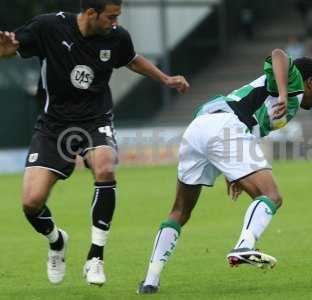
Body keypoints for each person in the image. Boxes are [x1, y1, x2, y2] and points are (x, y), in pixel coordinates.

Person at [0, 0, 189, 286]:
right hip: (53, 125)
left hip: (94, 120)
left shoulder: (117, 37)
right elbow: (14, 46)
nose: (115, 22)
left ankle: (95, 256)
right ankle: (56, 241)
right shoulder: (49, 27)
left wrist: (164, 78)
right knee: (31, 203)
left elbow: (131, 59)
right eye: (110, 17)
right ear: (90, 13)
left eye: (117, 17)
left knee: (105, 167)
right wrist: (5, 51)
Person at [137, 49, 312, 294]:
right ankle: (244, 245)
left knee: (180, 210)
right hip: (227, 126)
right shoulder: (294, 82)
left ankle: (150, 281)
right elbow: (278, 54)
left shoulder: (284, 98)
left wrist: (231, 173)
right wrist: (283, 93)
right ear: (310, 82)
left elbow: (248, 126)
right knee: (272, 195)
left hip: (199, 128)